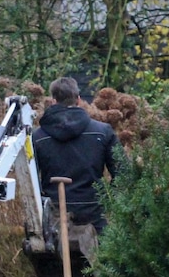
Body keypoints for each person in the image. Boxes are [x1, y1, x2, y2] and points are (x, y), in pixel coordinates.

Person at [31, 77, 123, 235]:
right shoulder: (103, 131)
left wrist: (43, 203)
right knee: (99, 258)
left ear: (53, 101)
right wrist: (108, 202)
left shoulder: (37, 137)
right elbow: (123, 172)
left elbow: (31, 181)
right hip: (94, 215)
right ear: (79, 100)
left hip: (54, 219)